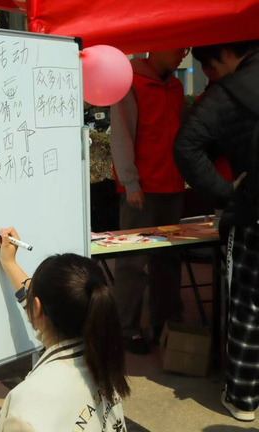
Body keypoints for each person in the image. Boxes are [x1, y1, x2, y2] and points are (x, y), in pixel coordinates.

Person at [173, 39, 259, 422]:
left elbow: (186, 147)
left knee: (248, 307)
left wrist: (227, 193)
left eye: (210, 67)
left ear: (224, 54)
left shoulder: (229, 92)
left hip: (253, 215)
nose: (210, 76)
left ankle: (242, 398)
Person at [0, 227, 129, 431]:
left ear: (36, 309)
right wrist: (9, 263)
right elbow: (47, 305)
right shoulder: (102, 356)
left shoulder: (25, 408)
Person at [109, 49, 189, 355]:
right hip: (141, 190)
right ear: (159, 46)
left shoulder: (176, 85)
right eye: (179, 48)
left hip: (171, 186)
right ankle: (125, 328)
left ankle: (165, 323)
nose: (183, 54)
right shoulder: (130, 81)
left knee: (168, 259)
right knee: (132, 261)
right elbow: (121, 135)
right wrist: (131, 183)